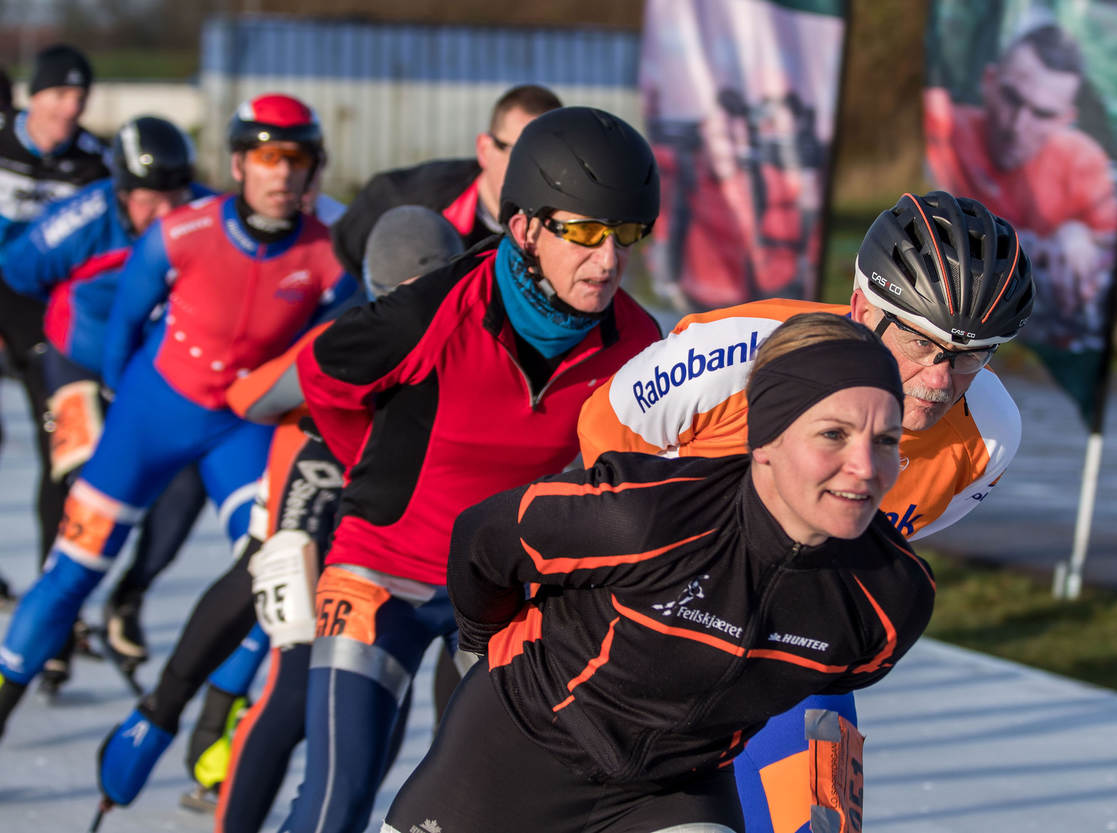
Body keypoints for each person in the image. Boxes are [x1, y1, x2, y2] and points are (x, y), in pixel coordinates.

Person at [577, 190, 1035, 832]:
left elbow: (894, 540)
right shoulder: (735, 357)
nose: (938, 379)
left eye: (971, 355)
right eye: (918, 341)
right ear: (862, 310)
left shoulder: (989, 435)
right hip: (645, 634)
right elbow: (603, 446)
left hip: (789, 656)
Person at [382, 312, 935, 832]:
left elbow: (838, 677)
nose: (865, 467)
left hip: (673, 789)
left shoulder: (892, 599)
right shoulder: (646, 516)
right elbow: (484, 538)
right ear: (768, 436)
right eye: (834, 435)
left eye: (885, 440)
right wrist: (483, 644)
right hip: (515, 751)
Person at [281, 105, 662, 833]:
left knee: (479, 811)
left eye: (626, 233)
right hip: (381, 568)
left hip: (501, 595)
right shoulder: (430, 311)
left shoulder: (638, 343)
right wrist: (372, 466)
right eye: (584, 232)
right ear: (524, 227)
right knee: (336, 800)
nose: (608, 260)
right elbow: (322, 376)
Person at [92, 206, 465, 827]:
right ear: (381, 294)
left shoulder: (472, 337)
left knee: (385, 709)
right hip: (322, 481)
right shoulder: (355, 336)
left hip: (402, 527)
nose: (420, 316)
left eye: (435, 295)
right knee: (293, 669)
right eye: (406, 298)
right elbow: (249, 395)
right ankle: (166, 713)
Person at [0, 92, 356, 742]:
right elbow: (124, 329)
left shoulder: (331, 249)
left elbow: (328, 348)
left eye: (296, 158)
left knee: (278, 565)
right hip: (152, 412)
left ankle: (215, 721)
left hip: (241, 427)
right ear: (238, 164)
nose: (281, 173)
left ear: (314, 166)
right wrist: (112, 398)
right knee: (74, 568)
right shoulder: (180, 230)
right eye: (267, 157)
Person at [1, 116, 213, 690]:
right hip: (79, 360)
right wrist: (36, 339)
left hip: (156, 372)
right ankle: (57, 616)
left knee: (185, 483)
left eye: (175, 196)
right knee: (77, 478)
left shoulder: (206, 214)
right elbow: (16, 269)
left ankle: (130, 594)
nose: (164, 211)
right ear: (122, 192)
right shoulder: (86, 216)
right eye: (148, 199)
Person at [0, 44, 109, 629]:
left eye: (80, 97)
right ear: (34, 96)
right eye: (60, 94)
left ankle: (55, 594)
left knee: (65, 451)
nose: (71, 108)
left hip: (47, 315)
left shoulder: (94, 161)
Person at [924, 22, 1116, 348]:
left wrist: (1081, 236)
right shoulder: (946, 127)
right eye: (1011, 98)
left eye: (1043, 114)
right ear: (988, 82)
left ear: (1065, 119)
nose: (1018, 126)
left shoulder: (1083, 162)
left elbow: (1111, 251)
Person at [329, 83, 562, 279]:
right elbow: (345, 257)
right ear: (485, 149)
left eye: (553, 158)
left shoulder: (568, 220)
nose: (538, 171)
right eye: (521, 154)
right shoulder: (410, 201)